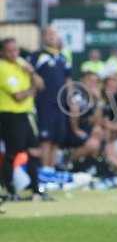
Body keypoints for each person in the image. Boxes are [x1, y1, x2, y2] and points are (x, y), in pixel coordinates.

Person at [0, 38, 46, 200]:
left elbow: (41, 85)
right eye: (10, 51)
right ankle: (10, 191)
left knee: (35, 151)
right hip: (10, 115)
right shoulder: (2, 68)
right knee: (12, 153)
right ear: (2, 53)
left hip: (26, 114)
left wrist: (32, 72)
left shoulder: (21, 63)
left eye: (16, 50)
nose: (14, 54)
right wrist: (32, 89)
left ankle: (35, 190)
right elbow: (18, 96)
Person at [28, 26, 72, 182]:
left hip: (60, 105)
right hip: (45, 103)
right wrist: (34, 76)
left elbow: (68, 79)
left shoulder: (62, 57)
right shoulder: (37, 56)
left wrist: (71, 98)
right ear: (43, 37)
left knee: (56, 139)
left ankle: (51, 172)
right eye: (49, 34)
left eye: (54, 33)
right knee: (46, 139)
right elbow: (27, 71)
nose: (52, 36)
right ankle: (44, 173)